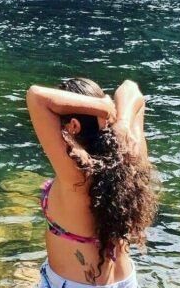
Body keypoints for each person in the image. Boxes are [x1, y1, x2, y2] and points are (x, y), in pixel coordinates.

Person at [26, 78, 157, 288]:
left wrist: (103, 107)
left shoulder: (76, 174)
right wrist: (121, 120)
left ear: (73, 126)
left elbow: (36, 96)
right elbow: (131, 88)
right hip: (126, 281)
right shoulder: (130, 156)